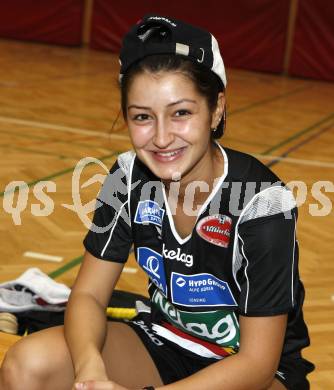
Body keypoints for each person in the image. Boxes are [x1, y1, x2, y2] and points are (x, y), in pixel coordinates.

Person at [0, 14, 314, 390]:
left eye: (181, 112)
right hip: (166, 339)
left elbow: (258, 364)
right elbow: (87, 295)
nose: (162, 138)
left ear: (216, 110)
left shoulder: (263, 203)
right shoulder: (129, 176)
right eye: (143, 117)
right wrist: (89, 370)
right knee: (26, 364)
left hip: (251, 371)